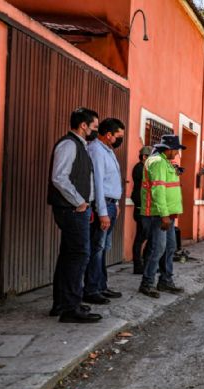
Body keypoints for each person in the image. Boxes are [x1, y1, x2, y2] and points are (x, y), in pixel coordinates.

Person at [47, 107, 102, 323]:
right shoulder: (69, 144)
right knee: (80, 254)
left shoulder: (81, 146)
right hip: (71, 209)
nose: (95, 131)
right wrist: (80, 202)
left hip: (77, 208)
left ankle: (62, 304)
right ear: (83, 126)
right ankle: (71, 307)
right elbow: (59, 177)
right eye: (94, 127)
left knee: (69, 255)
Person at [83, 118, 125, 305]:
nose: (120, 140)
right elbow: (98, 183)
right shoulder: (97, 151)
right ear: (109, 135)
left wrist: (115, 203)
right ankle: (91, 289)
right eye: (119, 136)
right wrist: (102, 212)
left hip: (110, 204)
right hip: (103, 205)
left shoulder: (108, 150)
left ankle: (101, 285)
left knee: (102, 248)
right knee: (96, 248)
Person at [139, 135, 185, 298]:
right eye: (176, 150)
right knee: (157, 248)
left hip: (167, 214)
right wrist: (164, 215)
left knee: (170, 248)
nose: (177, 153)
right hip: (158, 214)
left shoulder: (165, 162)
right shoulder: (157, 162)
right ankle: (147, 283)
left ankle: (165, 281)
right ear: (169, 149)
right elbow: (158, 191)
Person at [131, 146, 154, 274]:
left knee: (146, 236)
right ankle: (139, 265)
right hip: (141, 208)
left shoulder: (142, 168)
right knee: (141, 237)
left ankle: (143, 263)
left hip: (144, 207)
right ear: (145, 157)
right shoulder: (140, 169)